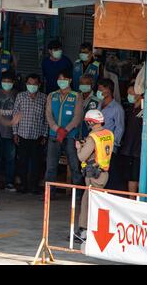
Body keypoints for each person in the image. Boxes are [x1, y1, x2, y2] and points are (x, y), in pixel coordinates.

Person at [74, 109, 114, 242]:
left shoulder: (92, 138)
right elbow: (100, 149)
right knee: (97, 203)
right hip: (104, 173)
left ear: (91, 122)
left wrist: (79, 147)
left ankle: (85, 232)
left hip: (94, 175)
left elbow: (81, 157)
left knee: (87, 203)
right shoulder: (108, 133)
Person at [45, 69, 83, 199]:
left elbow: (77, 117)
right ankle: (50, 194)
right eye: (60, 79)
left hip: (71, 136)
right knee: (51, 165)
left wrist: (65, 130)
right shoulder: (52, 95)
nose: (61, 82)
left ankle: (77, 194)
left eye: (64, 79)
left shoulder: (76, 96)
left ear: (70, 81)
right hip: (54, 135)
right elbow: (48, 115)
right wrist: (57, 129)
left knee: (74, 165)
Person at [13, 74, 48, 194]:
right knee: (22, 161)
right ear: (26, 84)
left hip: (37, 136)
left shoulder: (44, 98)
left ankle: (34, 186)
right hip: (22, 134)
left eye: (34, 84)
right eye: (29, 83)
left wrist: (44, 134)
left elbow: (46, 118)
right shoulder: (20, 96)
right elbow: (15, 115)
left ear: (39, 85)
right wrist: (15, 133)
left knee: (36, 162)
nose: (32, 86)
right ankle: (23, 185)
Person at [97, 78, 125, 190]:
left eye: (100, 89)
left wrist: (114, 145)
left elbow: (120, 128)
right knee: (98, 174)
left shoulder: (117, 109)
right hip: (97, 145)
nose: (98, 92)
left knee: (109, 175)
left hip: (109, 147)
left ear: (108, 90)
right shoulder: (99, 104)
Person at [0, 73, 18, 191]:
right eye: (4, 81)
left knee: (10, 158)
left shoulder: (17, 94)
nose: (6, 83)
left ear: (13, 82)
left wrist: (16, 132)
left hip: (11, 132)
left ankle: (9, 182)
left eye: (9, 81)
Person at [119, 84, 142, 198]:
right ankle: (131, 200)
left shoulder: (144, 112)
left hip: (138, 149)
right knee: (130, 176)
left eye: (132, 94)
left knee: (136, 176)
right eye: (128, 94)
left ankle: (135, 200)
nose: (129, 96)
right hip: (128, 148)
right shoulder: (130, 109)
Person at [79, 75, 101, 139]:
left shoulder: (97, 99)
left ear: (92, 85)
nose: (84, 85)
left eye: (87, 83)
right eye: (82, 83)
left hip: (90, 134)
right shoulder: (76, 97)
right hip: (76, 133)